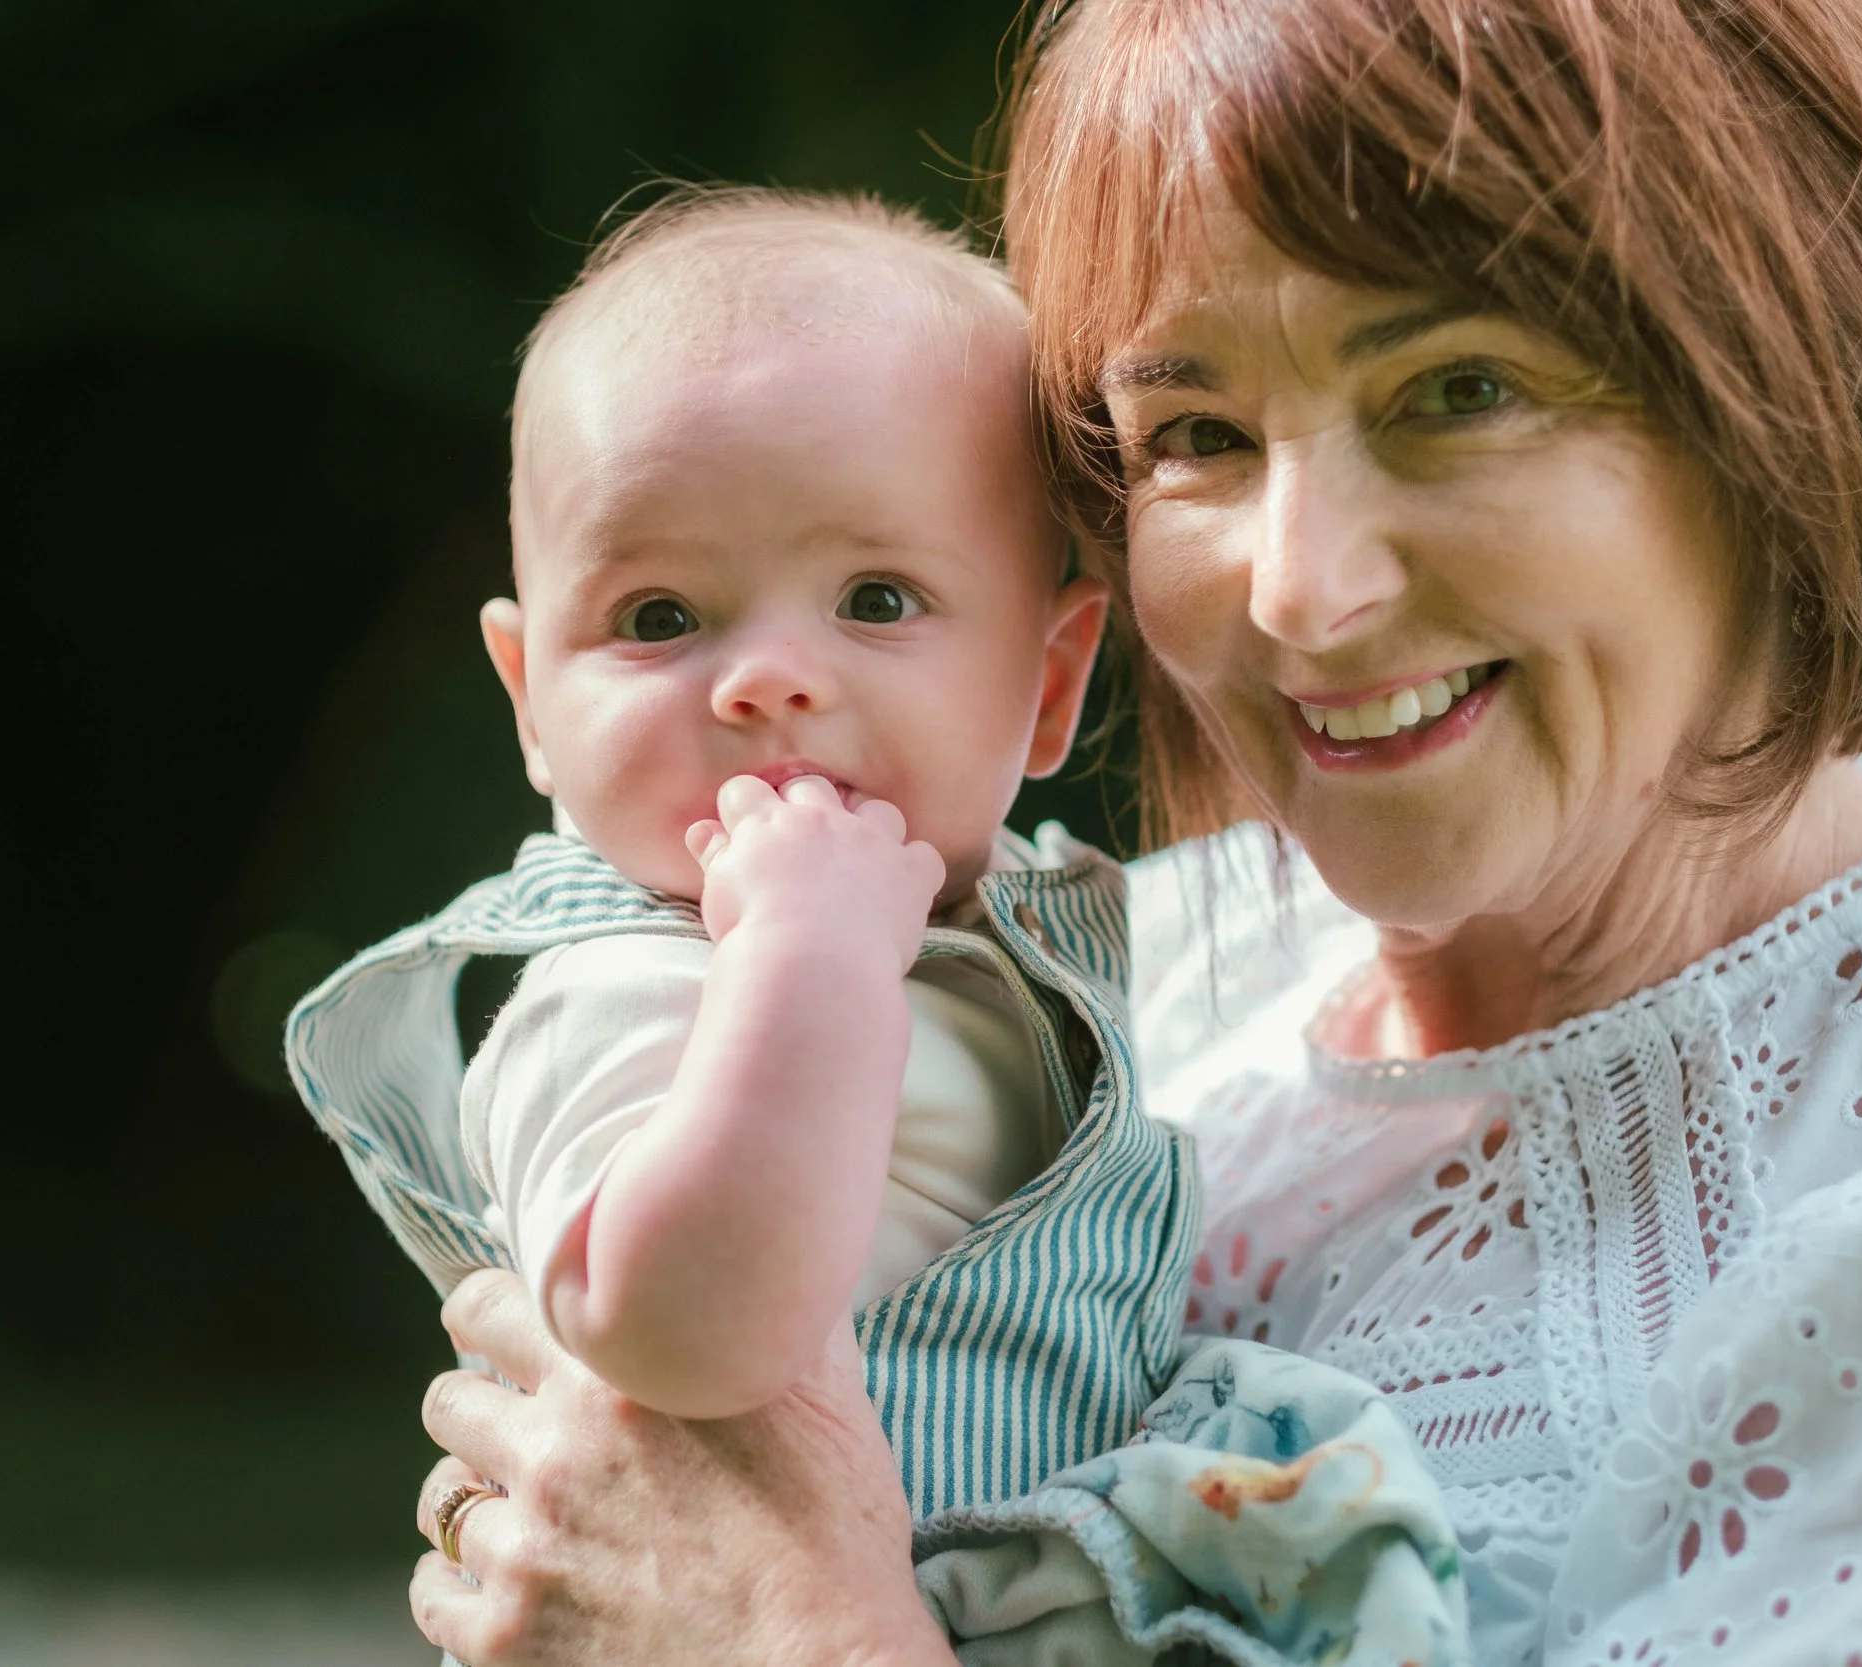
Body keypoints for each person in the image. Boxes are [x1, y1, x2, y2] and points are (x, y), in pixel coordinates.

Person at [400, 0, 1862, 1663]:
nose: (1302, 590)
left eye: (1458, 389)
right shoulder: (1126, 967)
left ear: (1789, 397)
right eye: (1197, 434)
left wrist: (800, 1633)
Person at [291, 187, 1472, 1664]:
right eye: (661, 617)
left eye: (877, 595)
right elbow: (678, 1337)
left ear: (1048, 687)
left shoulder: (1024, 928)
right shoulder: (628, 989)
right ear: (533, 699)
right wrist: (806, 960)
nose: (768, 677)